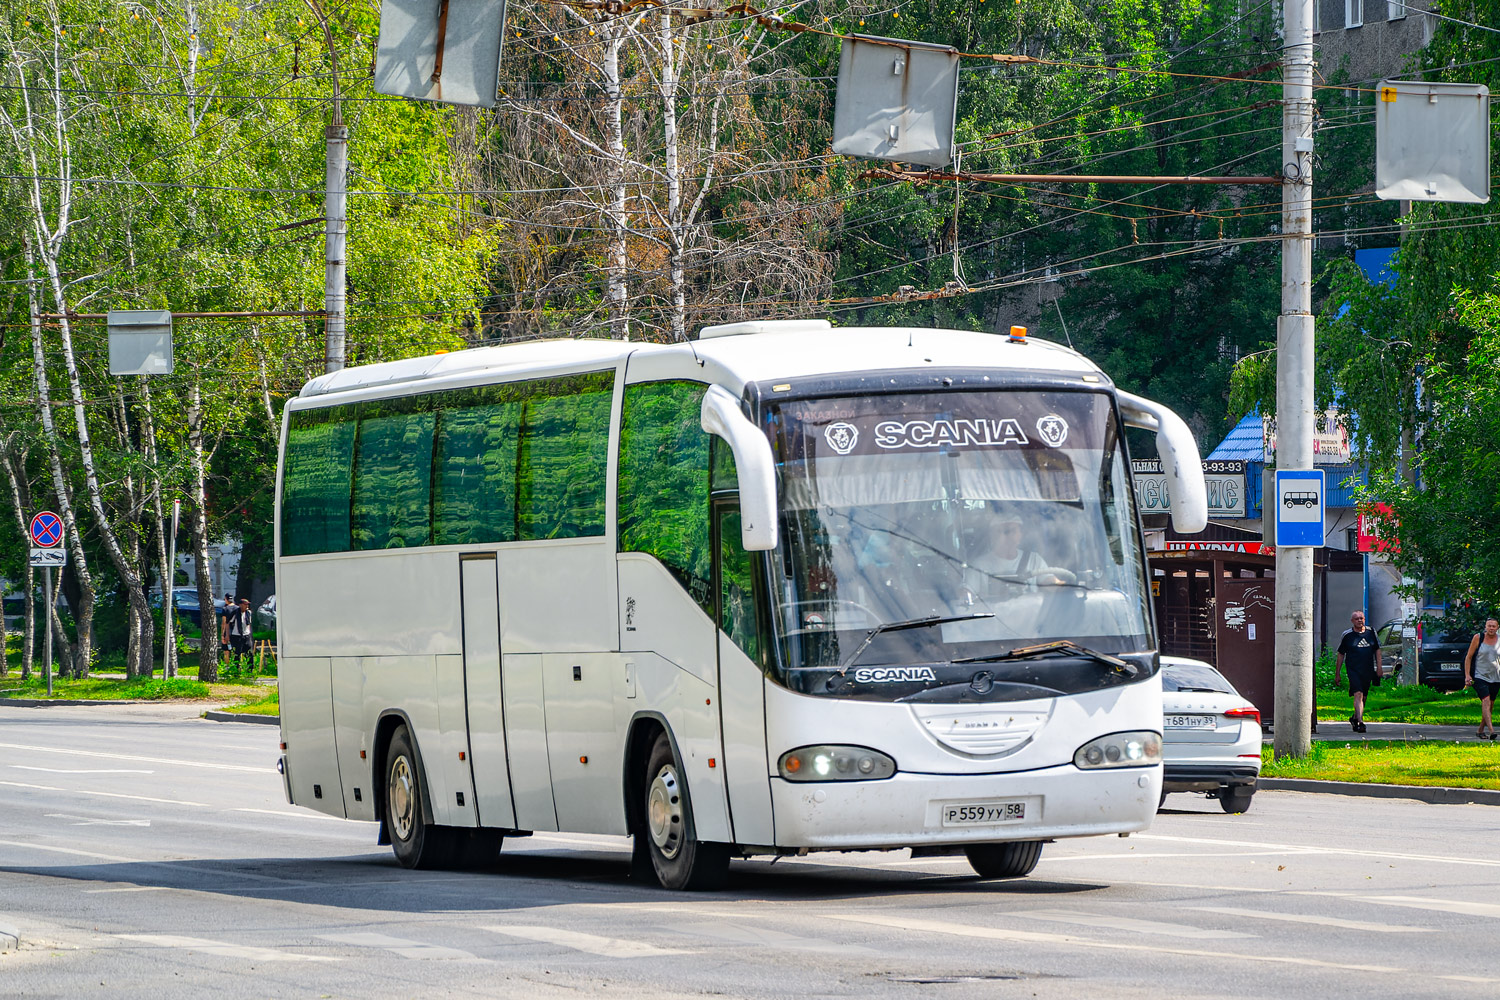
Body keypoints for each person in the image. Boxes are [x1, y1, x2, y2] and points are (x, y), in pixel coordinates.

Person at [1334, 610, 1381, 733]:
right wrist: (1337, 673)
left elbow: (1377, 650)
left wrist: (1379, 667)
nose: (1360, 620)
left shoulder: (1371, 632)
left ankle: (1355, 718)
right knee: (1358, 694)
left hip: (1368, 669)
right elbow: (1340, 654)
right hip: (1353, 669)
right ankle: (1360, 722)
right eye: (1357, 619)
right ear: (1352, 621)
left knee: (1364, 696)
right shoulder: (1347, 635)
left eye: (1362, 618)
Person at [1463, 618, 1500, 740]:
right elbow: (1468, 657)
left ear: (1497, 627)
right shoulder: (1478, 638)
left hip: (1495, 677)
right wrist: (1467, 675)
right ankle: (1491, 731)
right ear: (1485, 626)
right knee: (1486, 701)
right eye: (1489, 626)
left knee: (1490, 705)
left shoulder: (1499, 640)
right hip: (1480, 676)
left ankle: (1480, 730)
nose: (1491, 628)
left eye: (1493, 626)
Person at [227, 596, 254, 669]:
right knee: (237, 653)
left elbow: (249, 624)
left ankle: (250, 670)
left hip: (246, 635)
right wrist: (227, 635)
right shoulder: (235, 613)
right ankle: (236, 670)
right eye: (245, 604)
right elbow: (228, 623)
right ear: (240, 605)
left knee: (249, 653)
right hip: (237, 635)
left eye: (247, 604)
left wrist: (249, 635)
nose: (247, 606)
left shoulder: (248, 613)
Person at [217, 592, 234, 663]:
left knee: (226, 651)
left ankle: (227, 664)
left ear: (226, 599)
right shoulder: (237, 608)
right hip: (236, 631)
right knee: (235, 650)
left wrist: (222, 634)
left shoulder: (225, 609)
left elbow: (224, 622)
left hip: (227, 632)